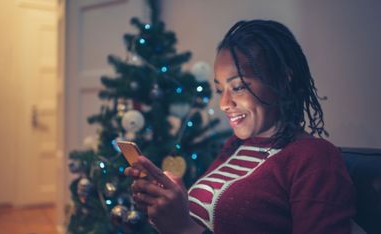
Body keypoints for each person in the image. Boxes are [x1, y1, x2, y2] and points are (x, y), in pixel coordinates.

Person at [125, 19, 355, 234]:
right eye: (219, 90)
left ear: (284, 80)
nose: (224, 104)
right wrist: (170, 204)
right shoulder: (236, 145)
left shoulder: (314, 159)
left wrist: (185, 228)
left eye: (238, 87)